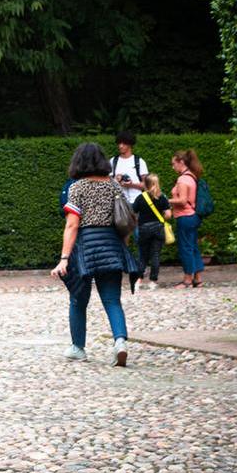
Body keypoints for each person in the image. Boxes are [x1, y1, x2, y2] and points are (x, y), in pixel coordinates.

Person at [53, 142, 141, 367]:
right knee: (112, 299)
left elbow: (72, 225)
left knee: (78, 298)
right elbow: (124, 221)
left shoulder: (77, 188)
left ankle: (78, 347)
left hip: (86, 247)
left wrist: (64, 258)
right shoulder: (113, 186)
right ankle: (120, 342)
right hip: (111, 243)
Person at [169, 149, 205, 288]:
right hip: (193, 216)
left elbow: (183, 201)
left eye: (174, 164)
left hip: (185, 217)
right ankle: (198, 278)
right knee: (193, 247)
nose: (173, 167)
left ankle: (187, 280)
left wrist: (167, 200)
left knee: (186, 248)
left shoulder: (183, 179)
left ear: (181, 162)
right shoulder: (192, 176)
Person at [132, 174, 171, 290]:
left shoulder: (140, 197)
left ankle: (138, 281)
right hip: (158, 228)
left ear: (145, 184)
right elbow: (168, 215)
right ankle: (153, 281)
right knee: (155, 255)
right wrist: (162, 219)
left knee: (143, 255)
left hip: (144, 228)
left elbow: (133, 213)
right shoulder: (162, 197)